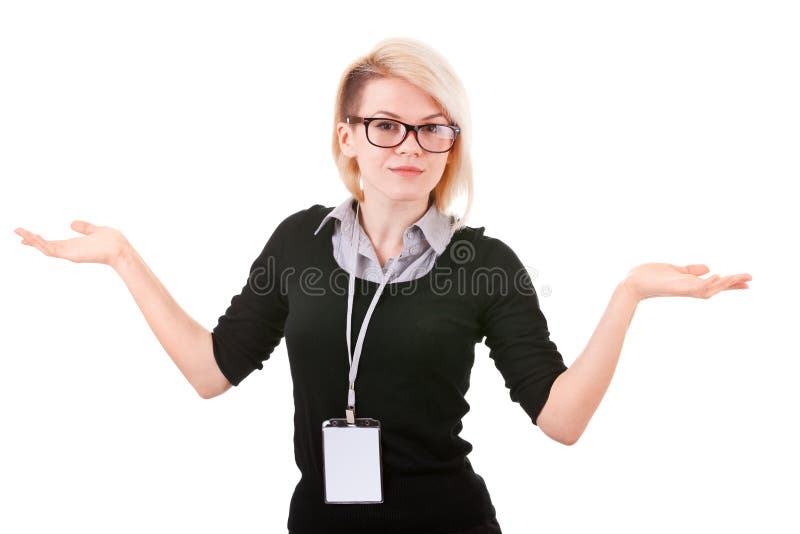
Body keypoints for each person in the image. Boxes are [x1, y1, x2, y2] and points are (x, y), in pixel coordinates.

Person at [13, 37, 752, 534]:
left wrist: (627, 295)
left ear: (451, 144)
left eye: (434, 128)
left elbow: (560, 421)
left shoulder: (484, 262)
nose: (411, 145)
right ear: (347, 136)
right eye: (386, 125)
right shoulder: (299, 242)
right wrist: (123, 259)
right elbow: (212, 372)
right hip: (320, 522)